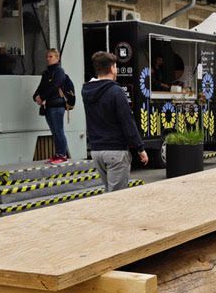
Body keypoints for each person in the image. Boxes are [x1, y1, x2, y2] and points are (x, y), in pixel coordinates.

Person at [82, 51, 148, 191]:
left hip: (96, 151)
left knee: (109, 193)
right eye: (116, 66)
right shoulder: (116, 91)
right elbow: (127, 122)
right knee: (117, 197)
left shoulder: (86, 91)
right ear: (112, 68)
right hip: (116, 151)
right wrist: (140, 148)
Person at [33, 48, 75, 164]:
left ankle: (62, 155)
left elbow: (54, 86)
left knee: (58, 130)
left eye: (51, 56)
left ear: (57, 58)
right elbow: (41, 87)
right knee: (54, 131)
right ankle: (58, 154)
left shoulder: (59, 71)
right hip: (48, 107)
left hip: (57, 106)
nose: (48, 59)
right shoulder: (46, 73)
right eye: (47, 57)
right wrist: (35, 96)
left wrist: (41, 97)